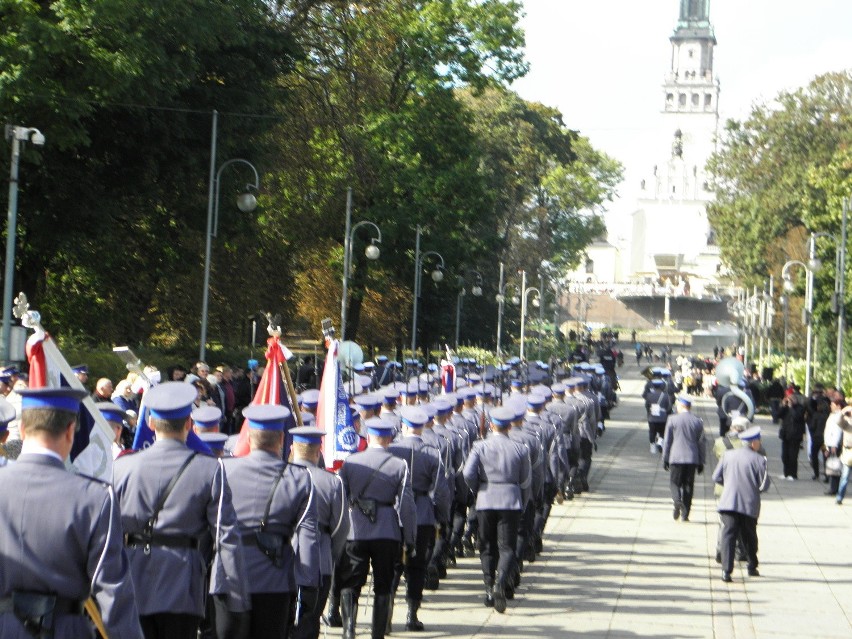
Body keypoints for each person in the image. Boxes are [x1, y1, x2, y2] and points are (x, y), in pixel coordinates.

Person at [0, 387, 143, 638]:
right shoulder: (94, 498)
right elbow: (113, 592)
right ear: (70, 432)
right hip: (64, 629)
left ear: (22, 430)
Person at [113, 382, 249, 639]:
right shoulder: (210, 469)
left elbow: (106, 535)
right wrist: (236, 597)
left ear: (151, 424)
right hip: (183, 585)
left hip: (131, 581)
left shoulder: (122, 468)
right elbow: (227, 537)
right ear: (189, 423)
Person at [221, 405, 320, 639]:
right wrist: (308, 587)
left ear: (249, 437)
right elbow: (308, 538)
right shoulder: (300, 478)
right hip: (274, 580)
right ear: (282, 439)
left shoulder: (223, 469)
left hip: (229, 577)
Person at [337, 417, 416, 639]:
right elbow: (407, 506)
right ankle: (378, 634)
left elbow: (340, 498)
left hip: (356, 530)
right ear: (389, 439)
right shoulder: (399, 465)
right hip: (387, 531)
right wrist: (409, 537)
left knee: (351, 582)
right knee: (383, 584)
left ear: (368, 436)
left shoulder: (351, 462)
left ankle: (349, 630)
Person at [462, 406, 531, 614]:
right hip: (510, 500)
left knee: (486, 545)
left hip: (486, 499)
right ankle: (501, 581)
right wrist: (522, 502)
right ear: (509, 426)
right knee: (507, 547)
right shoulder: (520, 448)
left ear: (491, 425)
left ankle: (489, 587)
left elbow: (467, 473)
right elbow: (526, 480)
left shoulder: (480, 446)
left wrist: (478, 489)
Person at [387, 406, 450, 632]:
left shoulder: (392, 450)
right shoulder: (432, 453)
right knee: (417, 566)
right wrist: (441, 516)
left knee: (392, 565)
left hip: (393, 512)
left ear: (403, 426)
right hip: (422, 513)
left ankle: (386, 613)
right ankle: (411, 615)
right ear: (423, 427)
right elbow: (441, 490)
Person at [289, 426, 349, 639]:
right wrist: (329, 552)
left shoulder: (281, 477)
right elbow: (341, 527)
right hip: (319, 558)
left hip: (282, 559)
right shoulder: (331, 482)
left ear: (292, 448)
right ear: (318, 452)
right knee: (309, 621)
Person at [712, 425, 770, 583]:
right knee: (749, 535)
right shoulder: (759, 459)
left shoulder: (728, 455)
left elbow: (716, 477)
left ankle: (726, 571)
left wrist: (730, 484)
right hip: (748, 504)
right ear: (753, 443)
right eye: (759, 441)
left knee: (728, 535)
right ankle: (752, 565)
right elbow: (764, 485)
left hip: (728, 503)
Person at [662, 396, 705, 521]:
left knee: (674, 483)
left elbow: (667, 441)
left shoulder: (672, 419)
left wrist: (665, 458)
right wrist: (701, 461)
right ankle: (685, 514)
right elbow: (701, 443)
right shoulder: (697, 421)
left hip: (676, 457)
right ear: (689, 407)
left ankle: (677, 501)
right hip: (692, 458)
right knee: (688, 486)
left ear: (680, 406)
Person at [777, 387, 806, 480]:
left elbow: (797, 417)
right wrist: (783, 406)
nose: (789, 400)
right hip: (785, 434)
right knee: (784, 456)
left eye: (791, 399)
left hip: (795, 435)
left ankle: (793, 474)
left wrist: (791, 407)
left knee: (793, 456)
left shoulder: (800, 408)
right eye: (788, 398)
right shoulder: (786, 408)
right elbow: (778, 415)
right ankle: (786, 473)